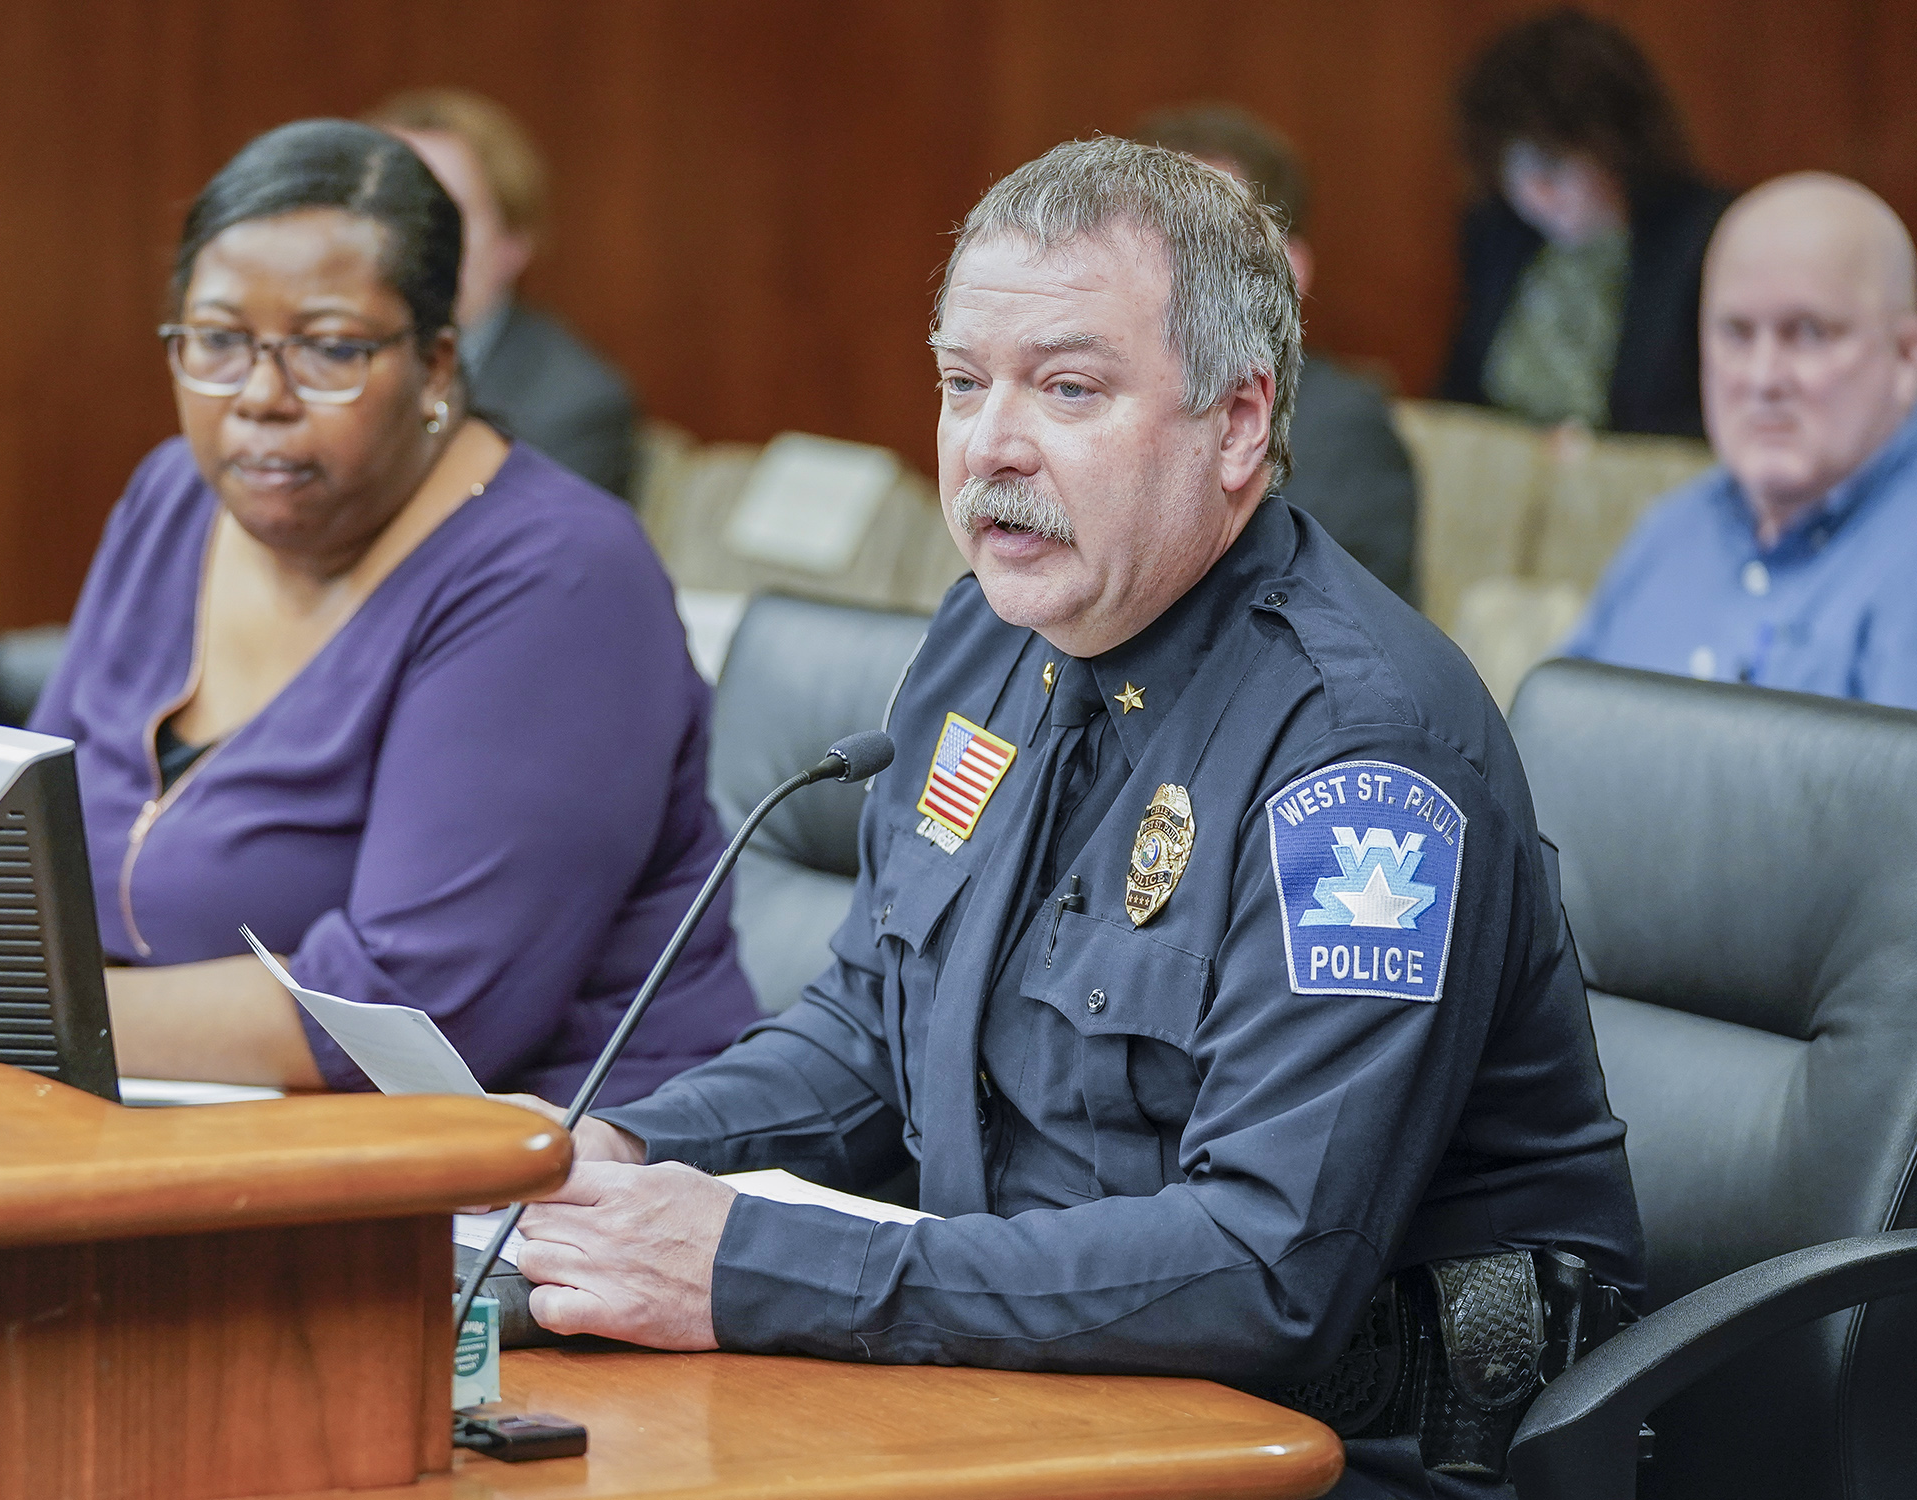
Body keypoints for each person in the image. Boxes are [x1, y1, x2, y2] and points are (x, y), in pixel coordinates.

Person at [502, 138, 1644, 1499]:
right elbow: (875, 1024)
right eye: (962, 383)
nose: (991, 443)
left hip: (1331, 1452)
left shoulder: (1365, 758)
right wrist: (630, 1150)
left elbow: (1264, 1267)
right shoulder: (991, 636)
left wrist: (747, 1268)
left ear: (1233, 426)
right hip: (1023, 1386)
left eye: (1068, 388)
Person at [29, 119, 757, 1097]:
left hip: (537, 1184)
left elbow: (412, 1016)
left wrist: (25, 1014)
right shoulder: (174, 497)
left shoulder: (558, 575)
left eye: (329, 350)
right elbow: (22, 854)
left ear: (439, 364)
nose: (259, 395)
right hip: (162, 1120)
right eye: (215, 341)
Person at [1564, 174, 1917, 703]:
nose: (1763, 378)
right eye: (1736, 333)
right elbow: (1540, 748)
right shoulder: (1668, 533)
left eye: (1808, 332)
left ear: (1906, 355)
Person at [1137, 103, 1418, 601]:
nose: (1165, 272)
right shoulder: (1087, 400)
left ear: (1288, 272)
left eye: (1201, 242)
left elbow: (1315, 617)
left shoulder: (1343, 424)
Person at [1439, 8, 1731, 438]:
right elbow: (1460, 392)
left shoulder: (1702, 238)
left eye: (1552, 165)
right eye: (1513, 169)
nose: (1533, 194)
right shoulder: (1498, 232)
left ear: (1616, 146)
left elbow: (1706, 417)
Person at [364, 88, 639, 497]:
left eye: (443, 215)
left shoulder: (570, 406)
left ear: (513, 245)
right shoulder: (293, 368)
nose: (404, 238)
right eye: (384, 210)